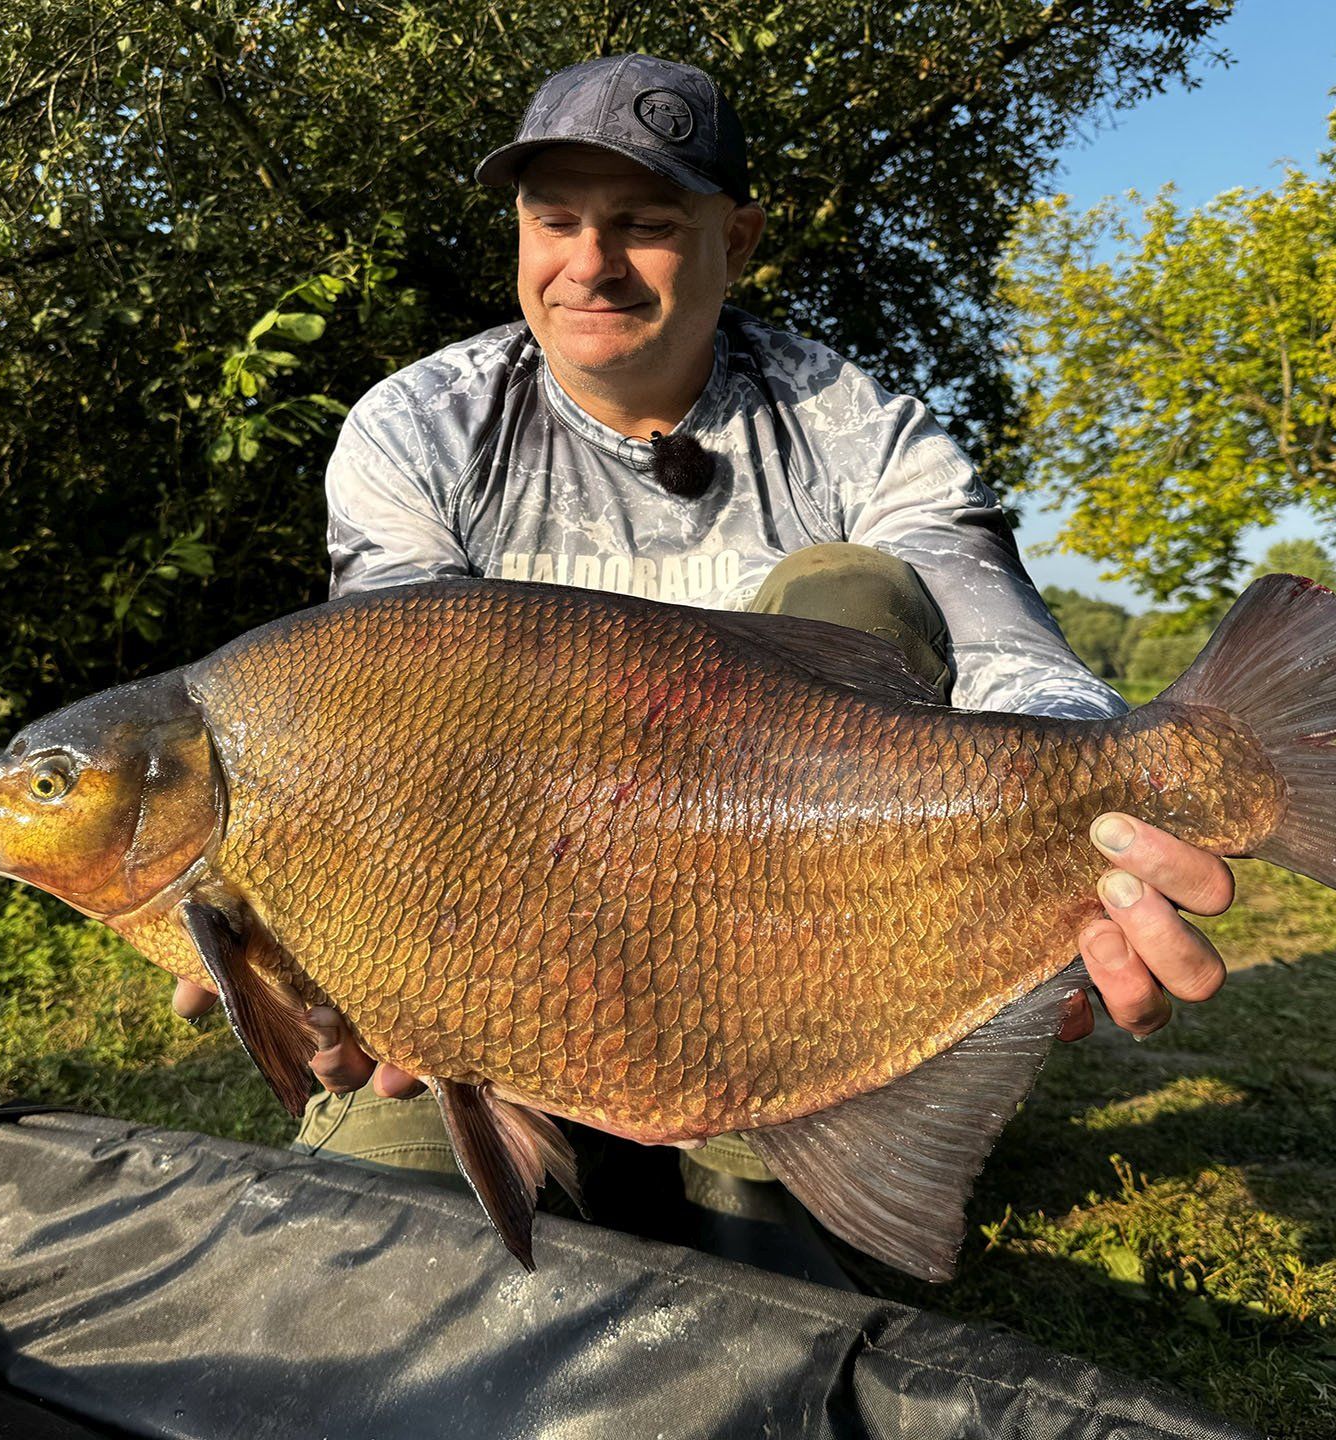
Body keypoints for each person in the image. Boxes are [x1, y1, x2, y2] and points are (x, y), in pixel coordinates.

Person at [171, 54, 1234, 1261]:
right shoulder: (419, 425)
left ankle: (771, 1142)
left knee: (853, 588)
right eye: (553, 220)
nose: (589, 264)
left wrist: (1113, 824)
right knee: (396, 1250)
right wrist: (333, 948)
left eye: (646, 224)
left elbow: (1004, 649)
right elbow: (383, 721)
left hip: (798, 936)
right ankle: (567, 1117)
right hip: (512, 939)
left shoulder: (854, 422)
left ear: (739, 236)